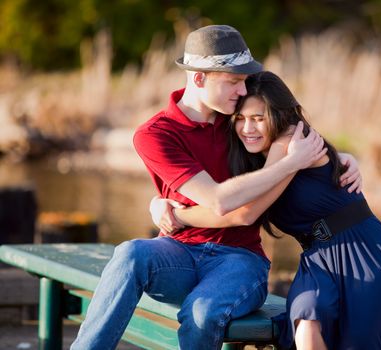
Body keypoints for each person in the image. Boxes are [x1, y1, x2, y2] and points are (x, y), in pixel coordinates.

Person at [71, 25, 362, 350]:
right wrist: (158, 203)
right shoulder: (155, 134)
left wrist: (341, 157)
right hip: (177, 254)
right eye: (233, 81)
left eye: (244, 81)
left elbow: (294, 134)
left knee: (203, 311)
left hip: (240, 260)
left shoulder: (241, 120)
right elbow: (218, 201)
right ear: (198, 78)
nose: (242, 90)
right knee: (129, 253)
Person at [152, 71, 381, 349]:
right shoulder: (256, 163)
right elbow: (223, 201)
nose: (247, 128)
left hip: (361, 250)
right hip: (317, 258)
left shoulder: (290, 141)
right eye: (240, 119)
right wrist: (159, 205)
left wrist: (177, 217)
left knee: (361, 340)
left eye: (258, 118)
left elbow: (242, 213)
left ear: (278, 115)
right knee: (306, 323)